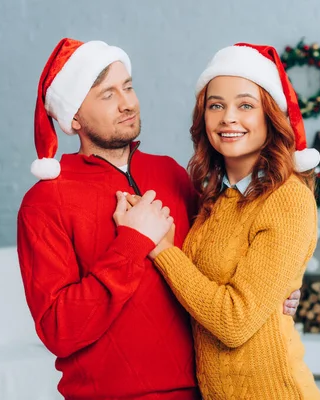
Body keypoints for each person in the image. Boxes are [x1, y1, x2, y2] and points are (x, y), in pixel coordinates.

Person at [17, 37, 299, 400]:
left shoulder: (171, 174)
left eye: (129, 87)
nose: (128, 104)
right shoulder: (45, 202)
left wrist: (276, 286)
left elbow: (223, 262)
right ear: (74, 116)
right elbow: (58, 330)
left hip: (206, 391)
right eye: (107, 95)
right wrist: (132, 244)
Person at [143, 43, 320, 399]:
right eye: (216, 105)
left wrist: (163, 250)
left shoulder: (287, 198)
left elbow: (234, 321)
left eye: (245, 105)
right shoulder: (215, 197)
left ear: (269, 116)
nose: (228, 118)